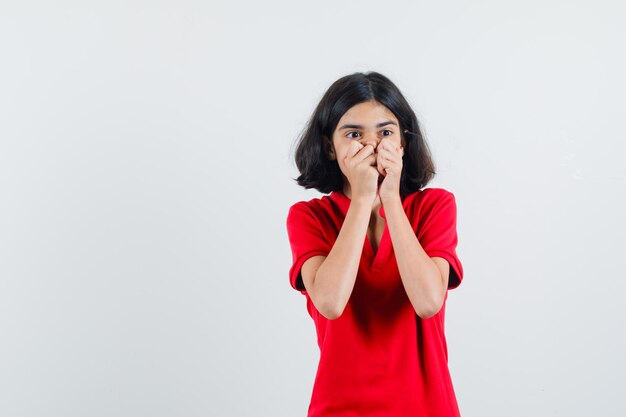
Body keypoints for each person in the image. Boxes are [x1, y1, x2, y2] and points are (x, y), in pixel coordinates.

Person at [286, 71, 465, 416]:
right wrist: (361, 198)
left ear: (402, 142)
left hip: (427, 407)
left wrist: (391, 201)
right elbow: (330, 302)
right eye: (353, 134)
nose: (371, 145)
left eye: (385, 132)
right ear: (329, 147)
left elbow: (429, 301)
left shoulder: (435, 207)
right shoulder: (309, 217)